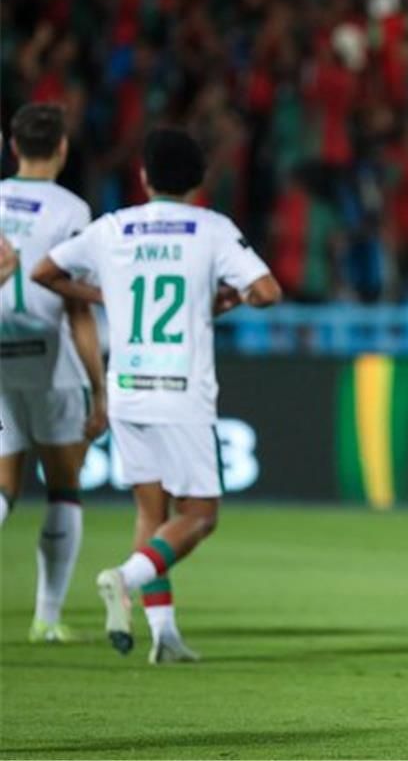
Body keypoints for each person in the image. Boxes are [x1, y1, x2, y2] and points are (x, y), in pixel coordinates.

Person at [32, 128, 282, 663]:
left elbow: (44, 271)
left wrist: (106, 295)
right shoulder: (212, 228)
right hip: (180, 391)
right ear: (199, 179)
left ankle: (163, 635)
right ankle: (125, 579)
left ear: (144, 176)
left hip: (127, 390)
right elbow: (266, 291)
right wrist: (228, 300)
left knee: (152, 511)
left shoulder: (113, 227)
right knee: (200, 516)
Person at [0, 102, 107, 643]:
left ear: (13, 146)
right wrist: (100, 388)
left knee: (3, 485)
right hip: (49, 358)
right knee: (63, 486)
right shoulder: (71, 210)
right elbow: (78, 307)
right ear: (62, 149)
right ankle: (46, 617)